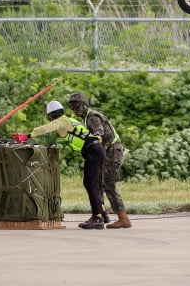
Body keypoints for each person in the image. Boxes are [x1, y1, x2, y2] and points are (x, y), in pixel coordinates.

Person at [29, 99, 107, 229]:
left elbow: (46, 128)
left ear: (50, 116)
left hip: (94, 150)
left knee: (90, 183)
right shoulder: (68, 119)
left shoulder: (60, 122)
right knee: (92, 183)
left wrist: (27, 135)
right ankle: (102, 214)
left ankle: (97, 217)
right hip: (96, 149)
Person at [68, 91, 131, 229]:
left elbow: (99, 132)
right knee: (97, 182)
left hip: (112, 152)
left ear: (85, 105)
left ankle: (123, 218)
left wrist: (95, 141)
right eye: (72, 105)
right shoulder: (86, 118)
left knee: (108, 184)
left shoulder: (92, 117)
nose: (74, 108)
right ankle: (101, 214)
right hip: (107, 152)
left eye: (77, 105)